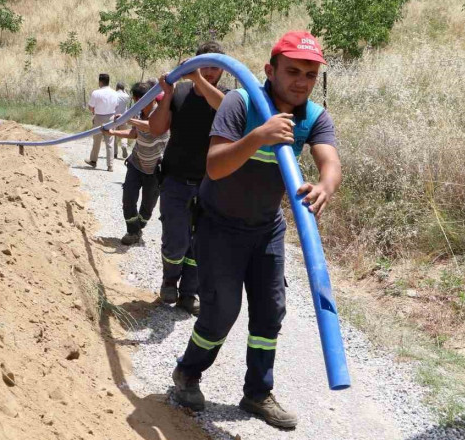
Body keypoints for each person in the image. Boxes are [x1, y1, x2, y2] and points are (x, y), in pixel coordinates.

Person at [171, 31, 341, 430]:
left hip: (266, 230)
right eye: (293, 71)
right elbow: (215, 166)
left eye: (310, 74)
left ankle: (257, 392)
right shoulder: (240, 102)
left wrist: (325, 185)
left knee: (270, 313)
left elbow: (329, 160)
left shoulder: (313, 116)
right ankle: (188, 373)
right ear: (270, 70)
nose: (301, 81)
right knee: (221, 311)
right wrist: (258, 137)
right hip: (219, 227)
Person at [149, 41, 228, 316]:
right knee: (176, 239)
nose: (209, 72)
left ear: (223, 71)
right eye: (203, 65)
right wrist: (167, 95)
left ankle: (189, 294)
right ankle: (170, 280)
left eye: (215, 67)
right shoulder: (180, 92)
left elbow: (222, 107)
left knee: (201, 243)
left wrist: (197, 79)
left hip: (210, 185)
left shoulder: (229, 98)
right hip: (175, 181)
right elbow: (157, 128)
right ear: (194, 65)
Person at [103, 81, 169, 246]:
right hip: (136, 163)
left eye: (139, 101)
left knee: (148, 206)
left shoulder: (161, 113)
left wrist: (128, 119)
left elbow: (152, 127)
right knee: (128, 198)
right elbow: (135, 133)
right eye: (136, 101)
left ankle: (138, 227)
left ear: (150, 99)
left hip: (155, 168)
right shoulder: (138, 114)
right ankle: (132, 231)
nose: (138, 104)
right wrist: (113, 131)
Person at [86, 73, 119, 171]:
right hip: (110, 118)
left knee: (97, 140)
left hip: (99, 117)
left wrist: (94, 111)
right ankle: (110, 165)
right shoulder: (114, 93)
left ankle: (93, 161)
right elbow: (116, 105)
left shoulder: (96, 93)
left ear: (100, 81)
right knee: (110, 141)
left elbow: (91, 107)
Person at [114, 82, 131, 159]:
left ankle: (114, 153)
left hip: (114, 118)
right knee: (124, 134)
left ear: (117, 87)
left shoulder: (113, 94)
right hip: (124, 117)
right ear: (123, 88)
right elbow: (129, 100)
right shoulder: (126, 96)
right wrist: (125, 92)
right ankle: (124, 146)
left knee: (114, 135)